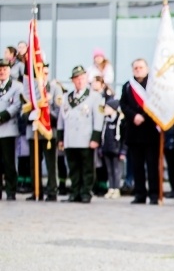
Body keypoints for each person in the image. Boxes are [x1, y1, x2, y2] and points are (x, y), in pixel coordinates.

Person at [57, 65, 104, 204]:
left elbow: (99, 118)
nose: (79, 81)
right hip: (70, 139)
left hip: (86, 138)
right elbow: (61, 119)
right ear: (73, 80)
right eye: (77, 78)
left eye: (82, 78)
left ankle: (85, 192)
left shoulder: (94, 96)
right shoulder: (66, 97)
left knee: (87, 167)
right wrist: (60, 138)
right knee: (73, 167)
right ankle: (75, 192)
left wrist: (95, 137)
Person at [119, 59, 160, 205]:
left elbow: (157, 104)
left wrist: (143, 116)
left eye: (141, 67)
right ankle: (140, 194)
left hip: (150, 132)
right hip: (134, 132)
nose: (138, 70)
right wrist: (133, 116)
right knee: (137, 166)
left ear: (147, 68)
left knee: (152, 166)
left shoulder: (154, 85)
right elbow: (123, 104)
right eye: (135, 67)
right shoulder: (128, 86)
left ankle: (154, 194)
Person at [23, 63, 62, 201]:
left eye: (45, 73)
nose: (43, 76)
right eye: (41, 73)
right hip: (33, 131)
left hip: (49, 131)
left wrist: (45, 114)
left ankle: (52, 190)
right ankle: (36, 190)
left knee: (51, 163)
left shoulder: (55, 88)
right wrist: (31, 113)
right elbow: (23, 109)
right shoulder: (31, 90)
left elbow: (59, 112)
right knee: (34, 163)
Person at [0, 59, 23, 200]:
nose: (2, 72)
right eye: (0, 69)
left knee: (9, 162)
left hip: (8, 128)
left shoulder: (16, 86)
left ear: (9, 70)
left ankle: (10, 190)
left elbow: (16, 105)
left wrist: (2, 116)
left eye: (4, 69)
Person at [101, 98, 124, 199]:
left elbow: (123, 138)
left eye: (107, 107)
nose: (105, 109)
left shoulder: (120, 121)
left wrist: (123, 151)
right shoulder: (105, 120)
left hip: (116, 150)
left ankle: (116, 188)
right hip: (106, 149)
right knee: (109, 171)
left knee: (116, 170)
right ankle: (110, 188)